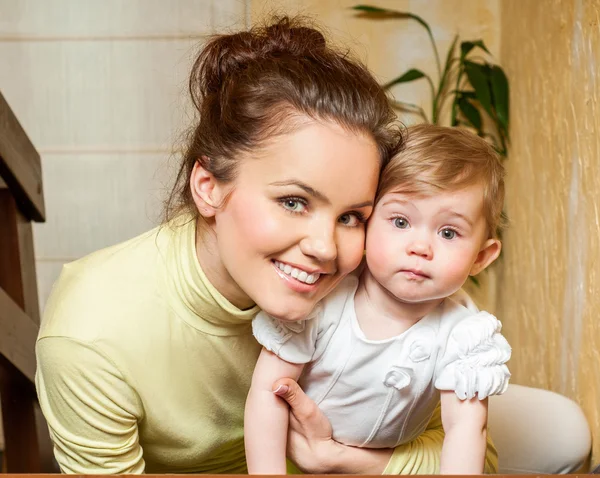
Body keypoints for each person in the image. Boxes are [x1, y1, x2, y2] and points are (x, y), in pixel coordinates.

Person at [33, 16, 490, 474]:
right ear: (208, 186)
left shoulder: (382, 283)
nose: (326, 248)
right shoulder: (90, 334)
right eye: (294, 201)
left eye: (351, 216)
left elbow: (479, 457)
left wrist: (343, 461)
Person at [245, 124, 512, 475]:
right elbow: (267, 393)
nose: (420, 247)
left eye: (448, 232)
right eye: (400, 222)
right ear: (367, 225)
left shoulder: (465, 335)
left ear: (481, 256)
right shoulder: (326, 301)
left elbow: (465, 431)